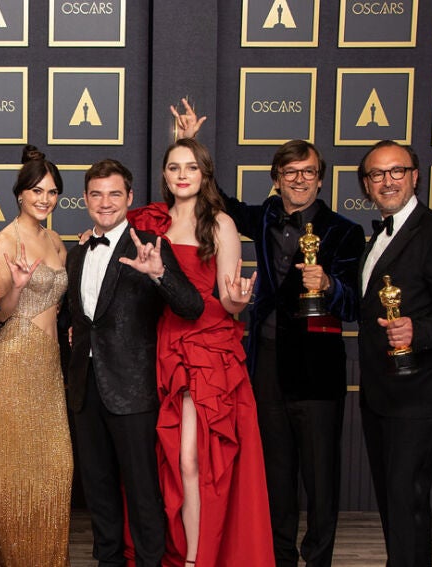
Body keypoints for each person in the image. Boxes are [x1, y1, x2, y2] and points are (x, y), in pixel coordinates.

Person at [174, 99, 364, 567]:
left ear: (320, 179)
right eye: (289, 172)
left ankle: (317, 560)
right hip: (266, 364)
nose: (299, 179)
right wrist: (189, 143)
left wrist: (330, 285)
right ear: (276, 178)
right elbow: (212, 196)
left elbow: (355, 305)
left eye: (308, 172)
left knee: (320, 480)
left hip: (317, 371)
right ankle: (280, 559)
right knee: (276, 475)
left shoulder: (344, 231)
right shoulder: (262, 217)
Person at [126, 138, 274, 566]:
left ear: (205, 174)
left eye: (191, 167)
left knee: (194, 457)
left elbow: (227, 299)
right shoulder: (152, 222)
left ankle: (195, 558)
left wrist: (239, 300)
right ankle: (182, 549)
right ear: (164, 175)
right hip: (164, 343)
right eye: (174, 167)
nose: (182, 175)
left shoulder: (220, 223)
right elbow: (113, 229)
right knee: (171, 454)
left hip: (207, 345)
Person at [66, 158, 203, 567]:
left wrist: (159, 274)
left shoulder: (150, 245)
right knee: (98, 490)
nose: (105, 202)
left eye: (114, 194)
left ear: (129, 197)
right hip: (84, 388)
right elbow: (80, 318)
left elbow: (192, 306)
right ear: (85, 199)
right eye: (96, 194)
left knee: (143, 492)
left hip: (132, 390)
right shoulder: (76, 254)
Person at [357, 140, 432, 567]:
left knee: (406, 497)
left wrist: (417, 329)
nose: (387, 181)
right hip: (383, 391)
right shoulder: (378, 236)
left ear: (415, 176)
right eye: (377, 174)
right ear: (366, 185)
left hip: (425, 390)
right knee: (394, 500)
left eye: (397, 171)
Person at [0, 145, 74, 565]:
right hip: (14, 363)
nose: (45, 199)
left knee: (57, 470)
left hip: (49, 368)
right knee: (15, 477)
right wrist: (18, 285)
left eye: (52, 192)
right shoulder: (6, 240)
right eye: (37, 191)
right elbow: (0, 313)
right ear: (20, 193)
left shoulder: (56, 241)